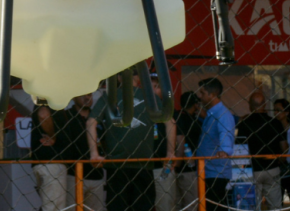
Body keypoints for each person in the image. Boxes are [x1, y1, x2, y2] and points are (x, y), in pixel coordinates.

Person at [87, 66, 161, 211]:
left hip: (117, 165)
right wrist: (171, 153)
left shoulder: (109, 96)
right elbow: (171, 123)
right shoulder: (150, 97)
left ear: (120, 78)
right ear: (138, 78)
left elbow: (90, 122)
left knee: (117, 206)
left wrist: (94, 154)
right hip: (143, 164)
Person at [236, 92, 287, 210]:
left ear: (250, 106)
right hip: (272, 168)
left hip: (252, 170)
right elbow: (284, 147)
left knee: (253, 206)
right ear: (264, 105)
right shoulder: (275, 123)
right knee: (275, 206)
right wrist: (280, 160)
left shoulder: (244, 124)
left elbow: (239, 149)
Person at [194, 77, 235, 211]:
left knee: (214, 207)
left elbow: (225, 133)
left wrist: (224, 150)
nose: (200, 96)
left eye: (202, 93)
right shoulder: (212, 114)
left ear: (212, 94)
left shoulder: (222, 114)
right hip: (209, 171)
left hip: (216, 173)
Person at [60, 93, 106, 211]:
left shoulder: (98, 116)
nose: (87, 98)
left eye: (89, 95)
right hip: (72, 176)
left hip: (96, 176)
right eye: (83, 95)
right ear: (74, 97)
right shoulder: (66, 117)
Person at [32, 99, 70, 211]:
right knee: (54, 208)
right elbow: (43, 114)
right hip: (52, 163)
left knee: (51, 206)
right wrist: (53, 137)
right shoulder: (49, 94)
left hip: (48, 163)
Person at [150, 73, 178, 211]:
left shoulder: (165, 108)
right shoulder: (137, 106)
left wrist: (170, 153)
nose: (153, 90)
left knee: (165, 204)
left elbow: (171, 124)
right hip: (141, 166)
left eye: (157, 86)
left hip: (162, 166)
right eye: (150, 86)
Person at [176, 92, 203, 210]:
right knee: (191, 204)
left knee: (176, 204)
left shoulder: (176, 118)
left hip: (173, 167)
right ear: (196, 105)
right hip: (189, 169)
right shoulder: (195, 123)